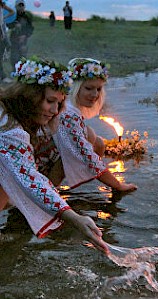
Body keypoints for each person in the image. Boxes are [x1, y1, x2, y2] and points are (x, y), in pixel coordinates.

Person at [0, 56, 109, 253]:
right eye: (50, 101)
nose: (54, 110)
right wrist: (73, 217)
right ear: (29, 96)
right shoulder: (12, 131)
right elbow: (29, 178)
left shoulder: (8, 112)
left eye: (59, 103)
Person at [39, 58, 137, 192]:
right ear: (75, 87)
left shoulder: (68, 107)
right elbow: (86, 155)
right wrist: (118, 185)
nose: (95, 94)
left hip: (45, 156)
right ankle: (46, 190)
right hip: (35, 164)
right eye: (88, 88)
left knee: (95, 140)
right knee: (84, 141)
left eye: (98, 89)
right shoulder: (68, 113)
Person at [8, 0, 34, 67]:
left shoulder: (26, 17)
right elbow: (8, 26)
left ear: (24, 6)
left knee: (23, 56)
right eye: (19, 5)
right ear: (16, 7)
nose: (21, 7)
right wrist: (14, 25)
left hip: (23, 40)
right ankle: (14, 71)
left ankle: (22, 71)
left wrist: (25, 35)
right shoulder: (12, 16)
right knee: (14, 56)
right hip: (13, 39)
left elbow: (30, 28)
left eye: (22, 5)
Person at [0, 0, 14, 80]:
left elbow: (12, 12)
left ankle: (3, 76)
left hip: (2, 31)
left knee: (7, 46)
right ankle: (3, 76)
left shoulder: (2, 5)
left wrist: (4, 17)